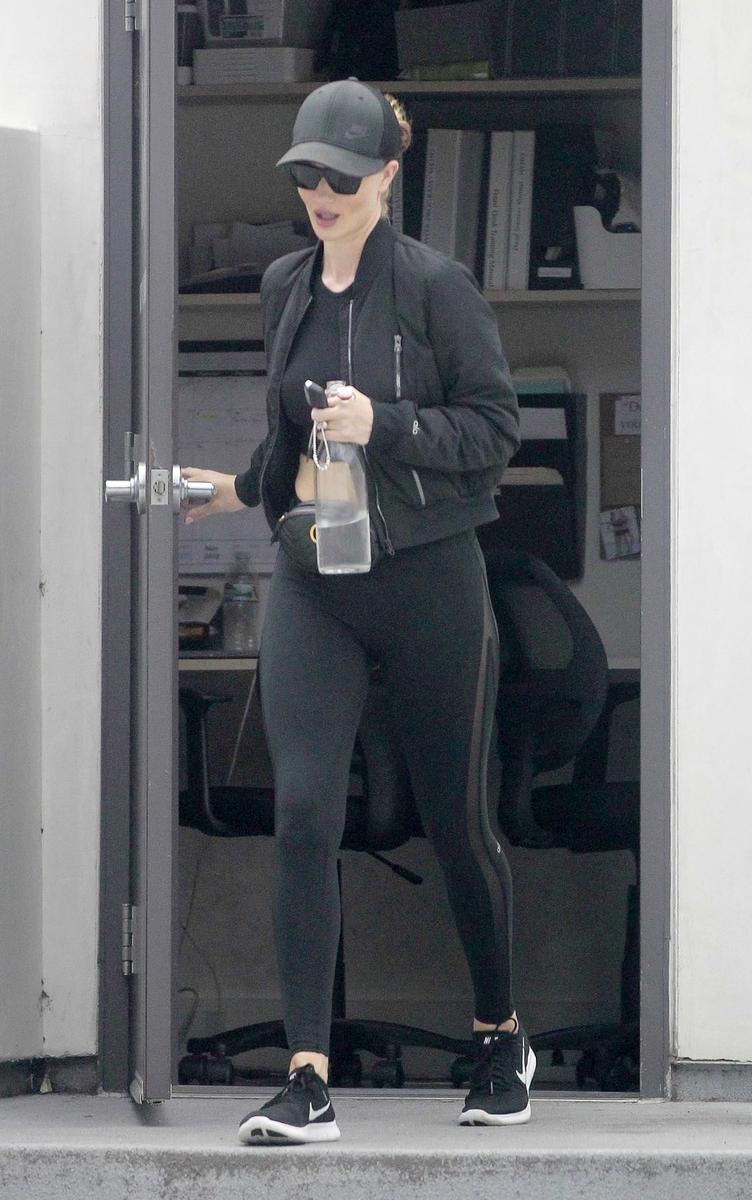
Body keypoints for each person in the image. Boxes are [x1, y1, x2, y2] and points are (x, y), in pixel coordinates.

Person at [182, 78, 532, 1145]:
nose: (320, 193)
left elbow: (496, 430)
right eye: (305, 175)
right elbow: (288, 435)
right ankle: (307, 1077)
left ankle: (498, 1033)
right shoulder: (285, 285)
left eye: (339, 175)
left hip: (427, 576)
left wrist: (390, 424)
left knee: (457, 821)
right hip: (316, 580)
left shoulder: (435, 286)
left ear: (386, 173)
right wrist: (235, 493)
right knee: (301, 813)